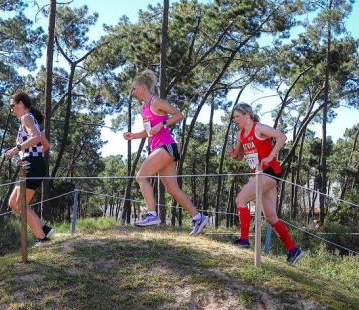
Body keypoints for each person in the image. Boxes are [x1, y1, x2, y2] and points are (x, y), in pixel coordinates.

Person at [123, 69, 210, 235]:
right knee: (172, 189)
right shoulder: (144, 108)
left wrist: (163, 124)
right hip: (159, 149)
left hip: (166, 147)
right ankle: (198, 217)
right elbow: (149, 131)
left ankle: (152, 215)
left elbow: (179, 115)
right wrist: (133, 136)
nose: (132, 92)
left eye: (134, 88)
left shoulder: (156, 102)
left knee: (141, 177)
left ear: (142, 87)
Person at [228, 102, 303, 265]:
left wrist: (271, 157)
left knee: (240, 200)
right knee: (270, 217)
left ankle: (244, 240)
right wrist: (234, 154)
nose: (235, 120)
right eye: (234, 117)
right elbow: (240, 156)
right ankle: (293, 250)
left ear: (247, 115)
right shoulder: (241, 135)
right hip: (258, 174)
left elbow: (282, 137)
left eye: (237, 116)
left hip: (269, 172)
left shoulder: (259, 128)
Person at [5, 91, 55, 242]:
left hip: (32, 164)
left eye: (12, 106)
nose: (11, 109)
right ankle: (44, 229)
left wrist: (17, 149)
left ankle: (42, 238)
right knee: (14, 203)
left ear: (21, 104)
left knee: (20, 204)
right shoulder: (31, 119)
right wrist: (26, 155)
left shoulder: (26, 118)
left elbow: (36, 138)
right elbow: (45, 145)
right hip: (33, 163)